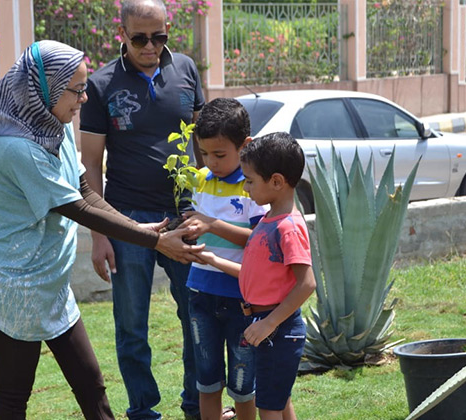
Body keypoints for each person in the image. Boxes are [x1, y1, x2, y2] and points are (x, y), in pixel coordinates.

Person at [0, 40, 202, 420]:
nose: (85, 98)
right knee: (13, 397)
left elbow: (85, 190)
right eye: (76, 89)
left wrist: (135, 226)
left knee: (92, 388)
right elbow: (74, 208)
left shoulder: (57, 129)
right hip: (13, 286)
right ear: (47, 89)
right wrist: (153, 239)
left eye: (85, 87)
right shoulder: (14, 148)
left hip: (50, 284)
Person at [78, 0, 205, 418]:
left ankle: (195, 403)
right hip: (126, 219)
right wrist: (100, 236)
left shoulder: (186, 70)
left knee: (196, 316)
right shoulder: (100, 85)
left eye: (159, 37)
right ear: (123, 34)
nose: (150, 46)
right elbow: (91, 165)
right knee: (132, 325)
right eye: (139, 38)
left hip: (185, 215)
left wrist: (210, 207)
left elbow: (204, 147)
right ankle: (143, 410)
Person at [196, 132, 317, 420]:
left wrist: (268, 324)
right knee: (278, 398)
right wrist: (213, 260)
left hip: (278, 328)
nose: (246, 187)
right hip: (266, 325)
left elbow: (307, 283)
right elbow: (254, 275)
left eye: (249, 181)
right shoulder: (268, 220)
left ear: (276, 181)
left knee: (270, 408)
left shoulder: (287, 227)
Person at [178, 98, 268, 420]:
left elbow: (260, 241)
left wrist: (212, 224)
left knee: (244, 381)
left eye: (219, 154)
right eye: (204, 153)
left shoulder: (252, 187)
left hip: (241, 298)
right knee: (206, 378)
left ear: (245, 145)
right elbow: (196, 227)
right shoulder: (198, 180)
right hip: (200, 292)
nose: (210, 162)